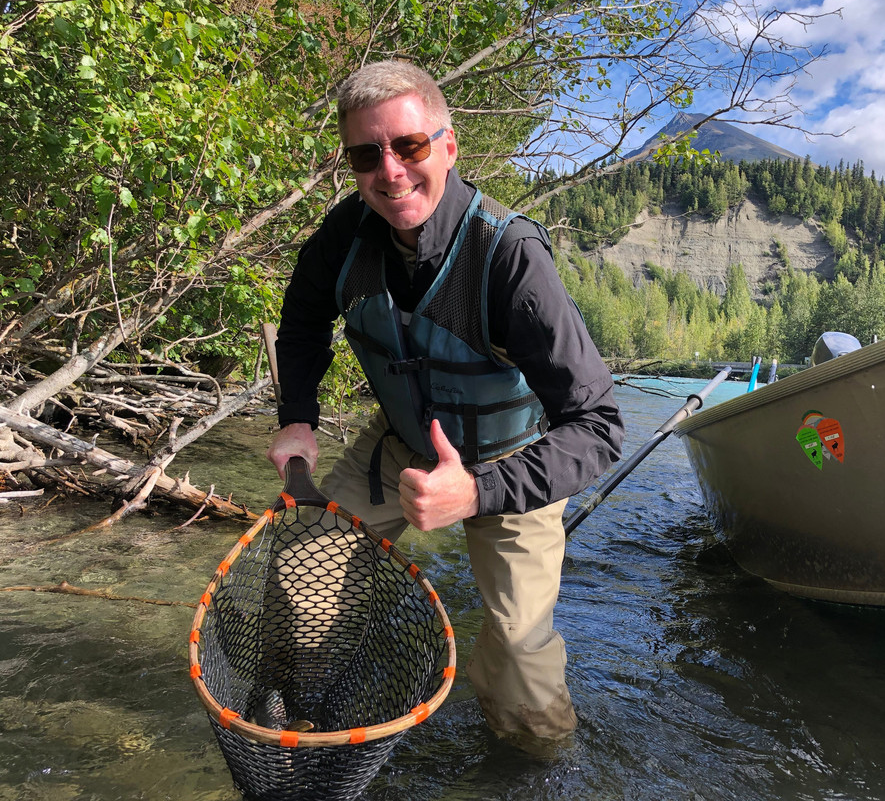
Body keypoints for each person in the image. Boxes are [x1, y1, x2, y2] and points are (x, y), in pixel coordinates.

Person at [266, 60, 623, 753]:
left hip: (509, 460)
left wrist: (478, 491)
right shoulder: (346, 234)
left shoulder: (510, 257)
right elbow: (304, 318)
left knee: (522, 660)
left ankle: (536, 768)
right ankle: (306, 724)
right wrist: (298, 417)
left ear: (449, 146)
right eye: (367, 155)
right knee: (299, 578)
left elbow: (600, 428)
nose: (390, 171)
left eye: (410, 146)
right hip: (398, 444)